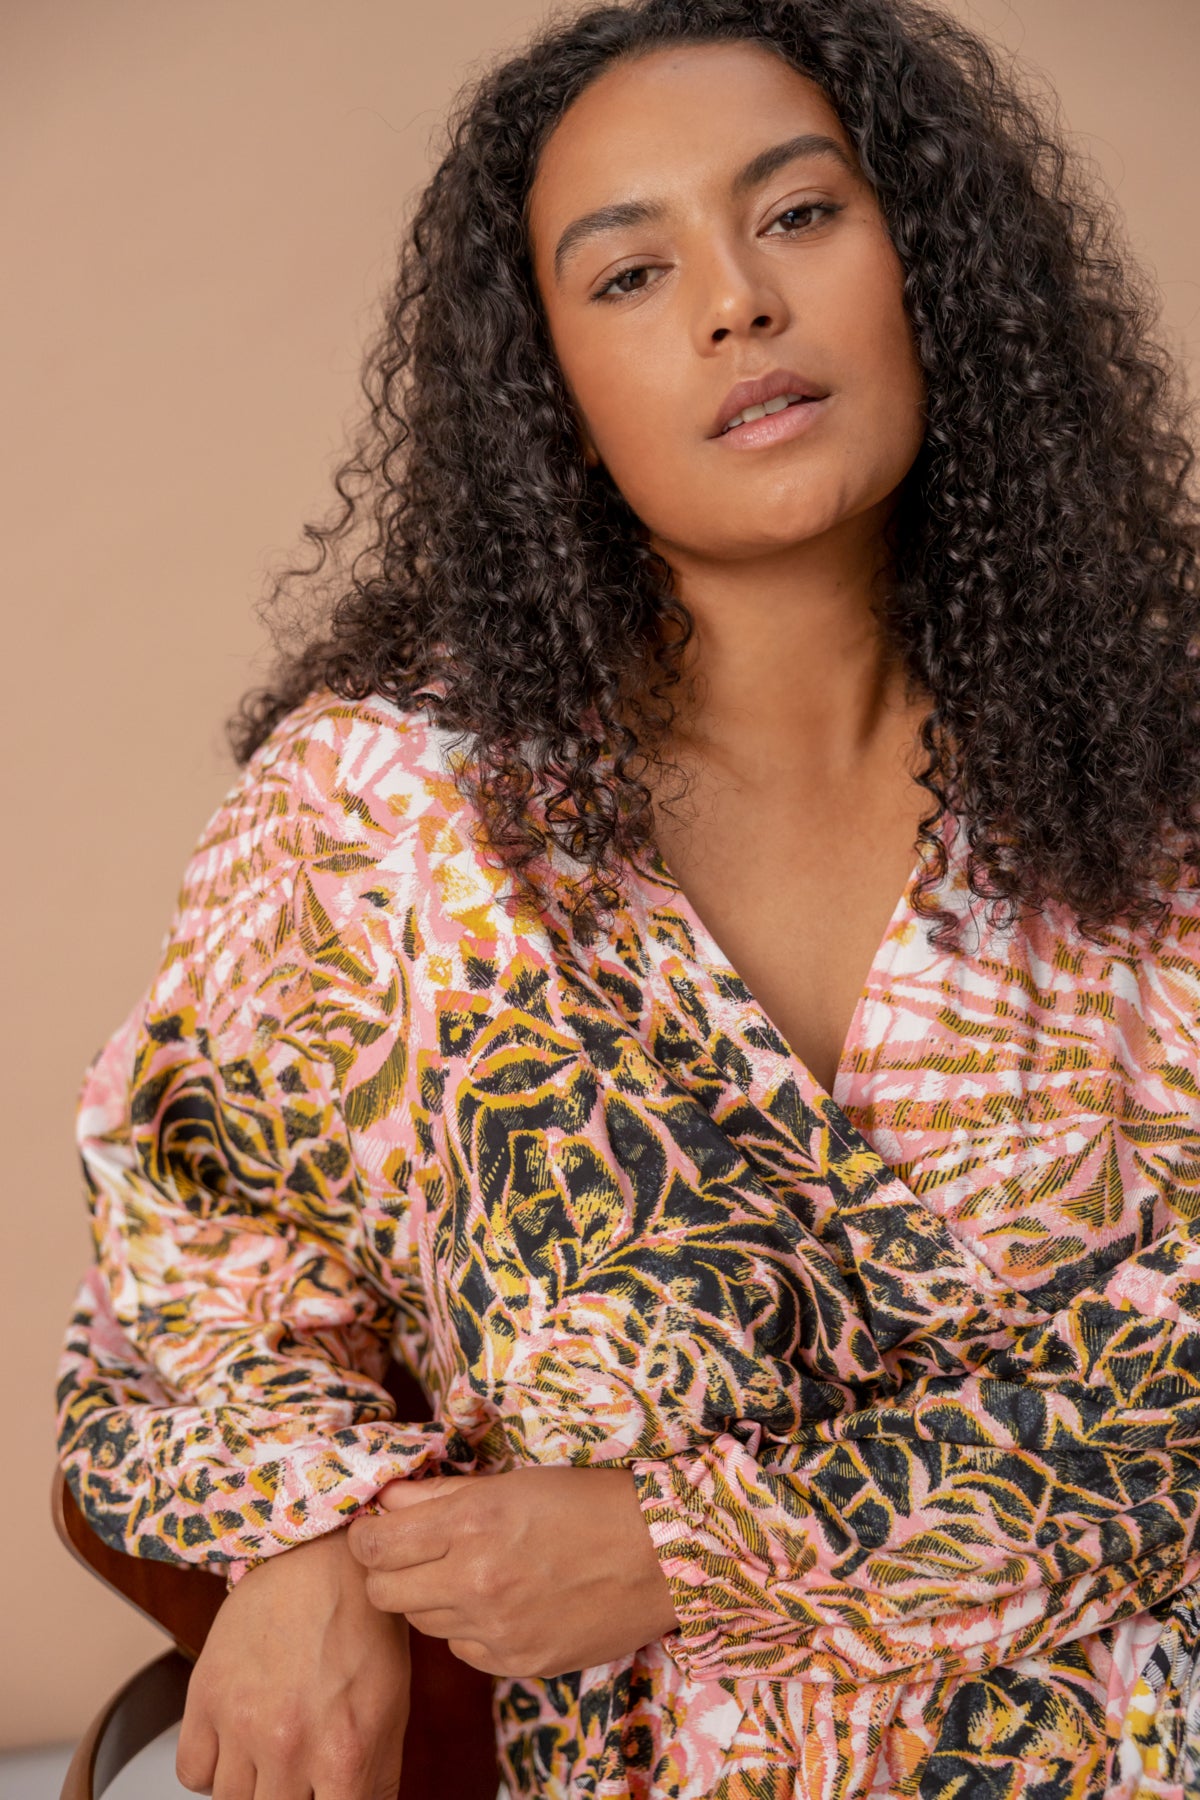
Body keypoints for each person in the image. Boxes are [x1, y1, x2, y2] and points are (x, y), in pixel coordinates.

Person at [54, 0, 1200, 1794]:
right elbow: (192, 1255)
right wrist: (300, 1532)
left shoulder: (1168, 781)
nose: (737, 301)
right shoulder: (391, 817)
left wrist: (705, 1549)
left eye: (800, 213)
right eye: (629, 275)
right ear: (557, 399)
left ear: (935, 271)